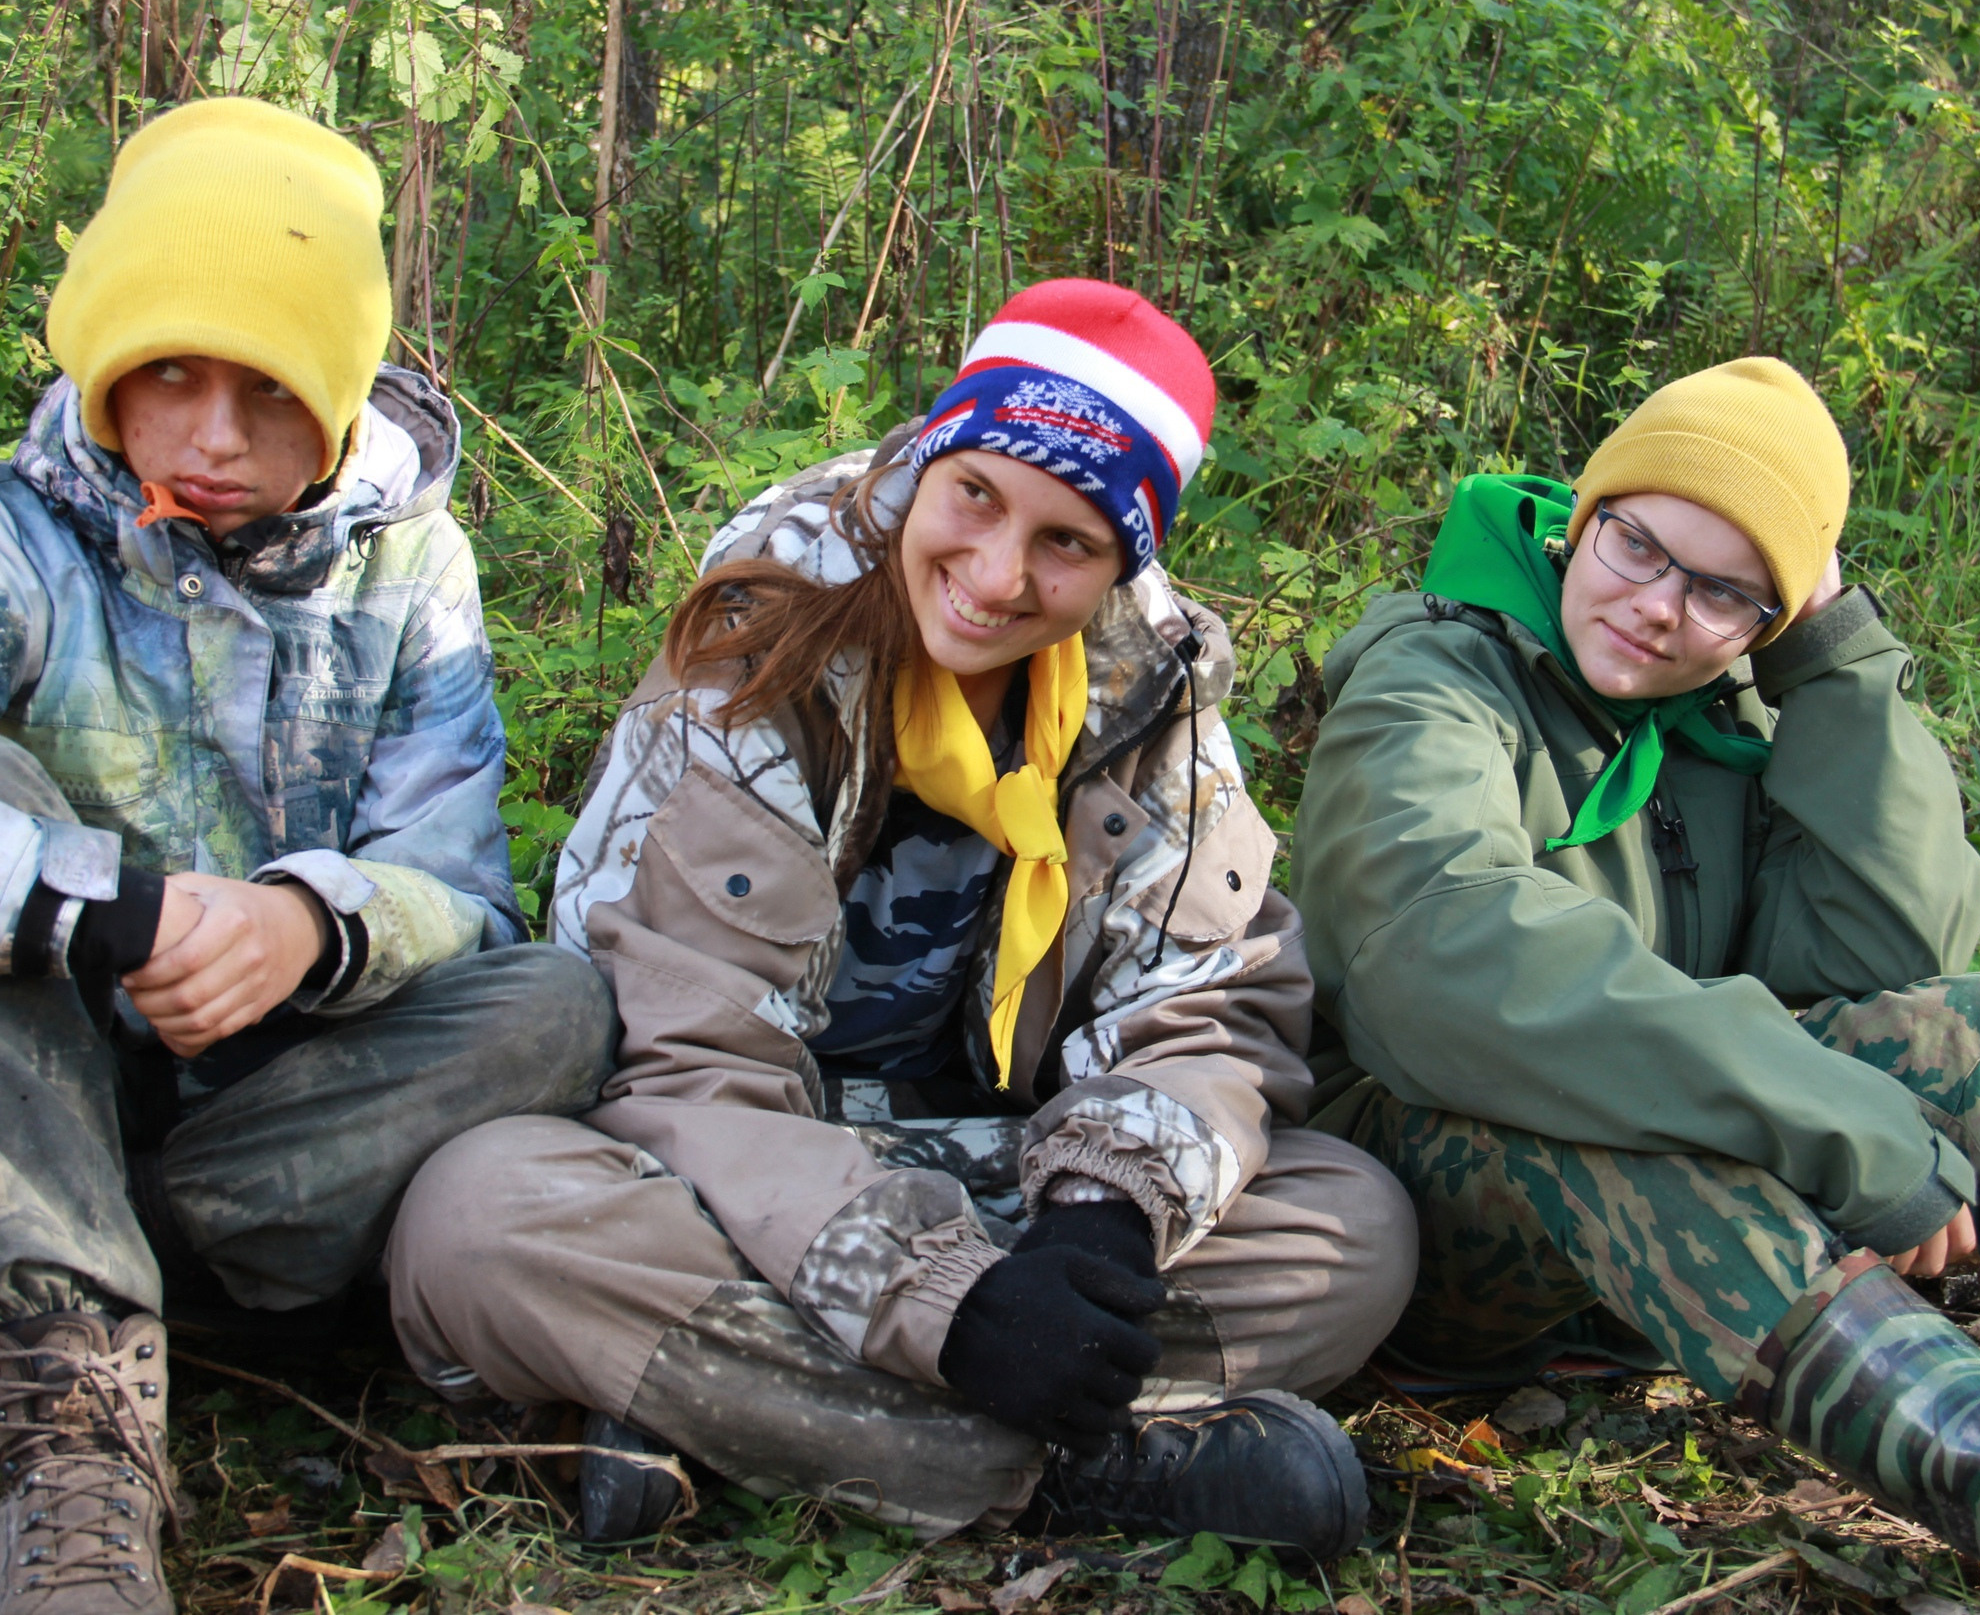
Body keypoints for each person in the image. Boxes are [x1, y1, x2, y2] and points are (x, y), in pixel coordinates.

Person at [388, 280, 1416, 1558]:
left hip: (999, 1159)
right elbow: (682, 1066)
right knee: (478, 1217)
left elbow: (1202, 1008)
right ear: (930, 458)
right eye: (977, 496)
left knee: (1351, 1226)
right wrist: (943, 1308)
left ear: (1119, 565)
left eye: (1067, 542)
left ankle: (714, 1414)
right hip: (728, 1172)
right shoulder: (757, 647)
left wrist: (1097, 1219)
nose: (996, 577)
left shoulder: (1155, 702)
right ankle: (1072, 1473)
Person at [1289, 357, 1980, 1615]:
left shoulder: (1716, 718)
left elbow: (1884, 957)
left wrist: (1829, 662)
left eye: (1726, 591)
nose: (1660, 608)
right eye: (1635, 545)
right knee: (1594, 1094)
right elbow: (1438, 953)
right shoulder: (1434, 679)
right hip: (1425, 1219)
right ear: (1582, 518)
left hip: (1678, 1255)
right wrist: (1839, 1127)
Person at [0, 98, 616, 1611]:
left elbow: (457, 880)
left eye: (269, 386)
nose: (212, 434)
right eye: (165, 373)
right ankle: (76, 1436)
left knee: (558, 1003)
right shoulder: (13, 540)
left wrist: (312, 925)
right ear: (105, 364)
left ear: (341, 384)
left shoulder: (410, 567)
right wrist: (89, 908)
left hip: (232, 1132)